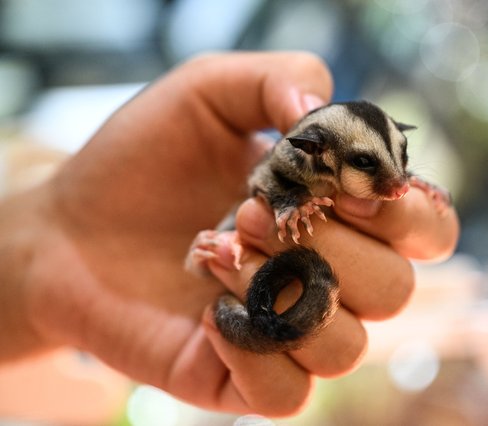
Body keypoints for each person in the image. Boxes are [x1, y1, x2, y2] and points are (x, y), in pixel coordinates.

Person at [0, 52, 459, 416]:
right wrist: (287, 206)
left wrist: (40, 270)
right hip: (232, 253)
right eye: (365, 162)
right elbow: (266, 181)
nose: (397, 184)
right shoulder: (292, 160)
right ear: (319, 153)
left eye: (402, 158)